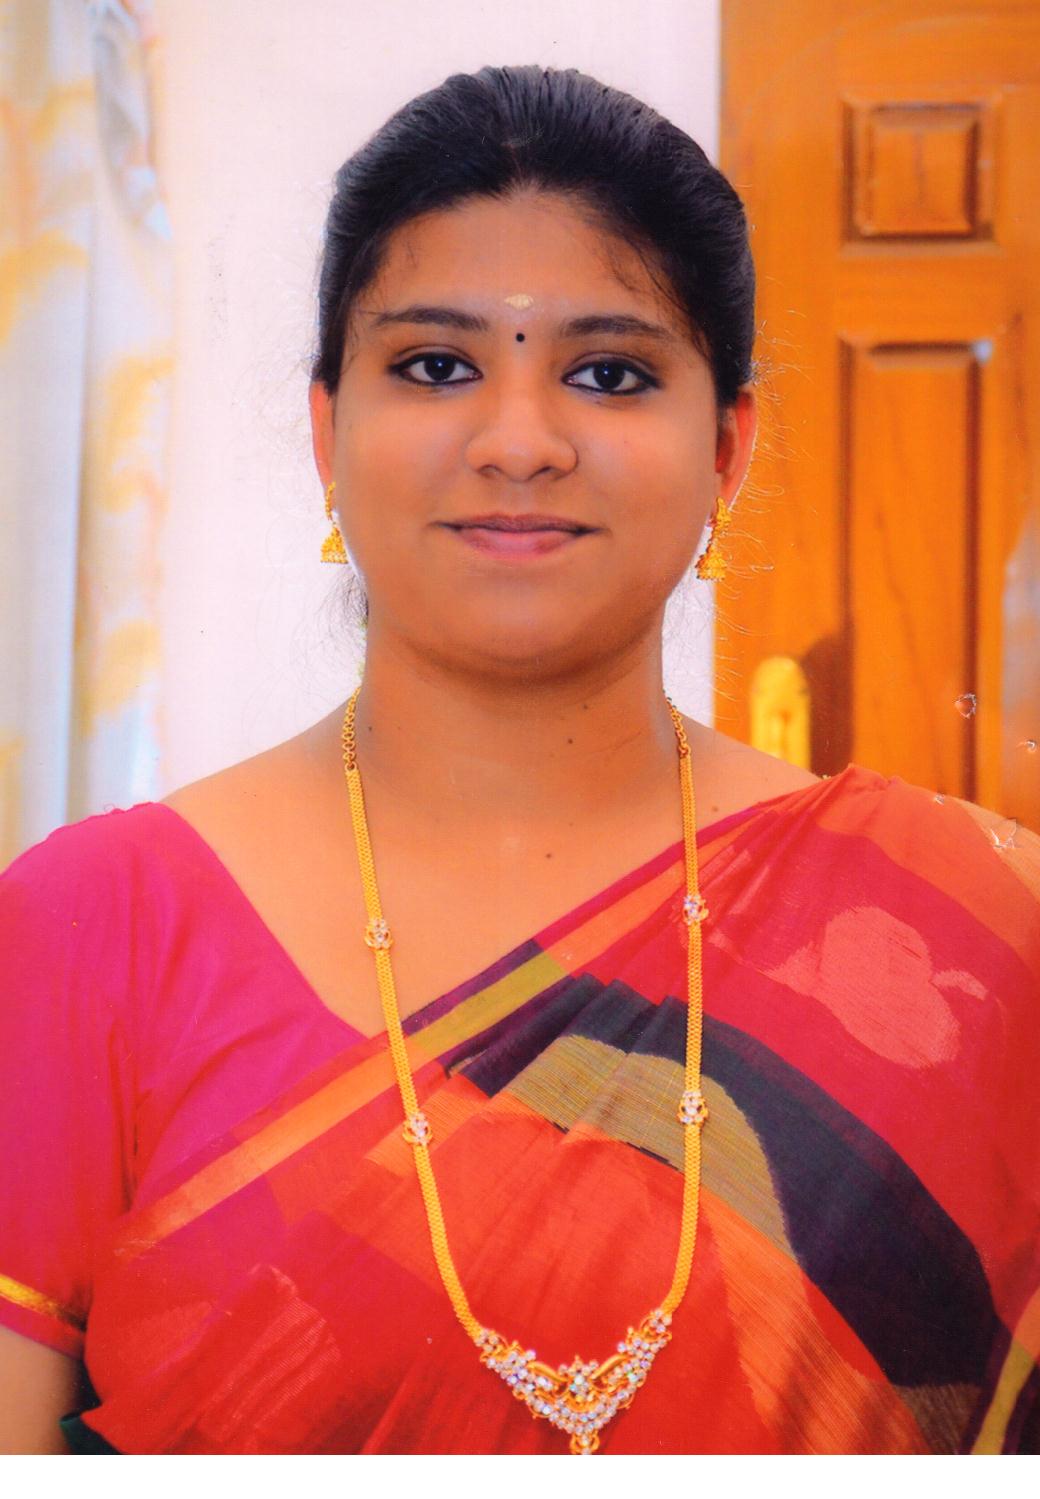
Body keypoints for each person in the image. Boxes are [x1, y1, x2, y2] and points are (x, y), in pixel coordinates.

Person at [1, 63, 1037, 1457]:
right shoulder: (88, 932)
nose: (519, 442)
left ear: (727, 450)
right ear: (327, 431)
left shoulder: (981, 940)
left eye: (609, 374)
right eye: (437, 365)